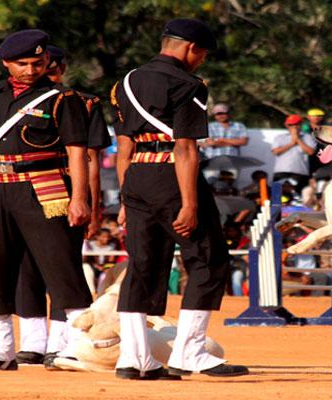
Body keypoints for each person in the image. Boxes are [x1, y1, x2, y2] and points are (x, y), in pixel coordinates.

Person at [110, 18, 248, 380]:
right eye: (202, 54)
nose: (201, 60)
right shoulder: (188, 85)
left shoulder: (126, 82)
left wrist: (126, 197)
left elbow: (123, 146)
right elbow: (185, 149)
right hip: (171, 176)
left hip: (136, 175)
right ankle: (190, 352)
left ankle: (134, 358)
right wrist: (189, 204)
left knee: (142, 263)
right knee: (207, 258)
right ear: (191, 49)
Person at [0, 29, 93, 371]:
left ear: (47, 60)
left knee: (62, 267)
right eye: (22, 64)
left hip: (44, 186)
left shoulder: (63, 98)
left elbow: (78, 153)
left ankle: (77, 346)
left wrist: (79, 197)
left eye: (38, 62)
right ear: (6, 63)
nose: (31, 70)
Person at [11, 44, 112, 367]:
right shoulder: (15, 101)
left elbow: (91, 159)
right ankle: (33, 341)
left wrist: (92, 206)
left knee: (62, 268)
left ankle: (63, 341)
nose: (45, 75)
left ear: (62, 69)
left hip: (64, 189)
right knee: (26, 266)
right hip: (23, 189)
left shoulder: (82, 102)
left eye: (51, 70)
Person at [271, 114, 316, 194]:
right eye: (290, 125)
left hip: (300, 172)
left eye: (295, 124)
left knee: (299, 197)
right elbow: (275, 152)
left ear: (300, 124)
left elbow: (311, 152)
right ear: (286, 125)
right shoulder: (280, 137)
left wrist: (298, 139)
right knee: (277, 197)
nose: (293, 126)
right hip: (281, 172)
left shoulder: (307, 137)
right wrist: (291, 143)